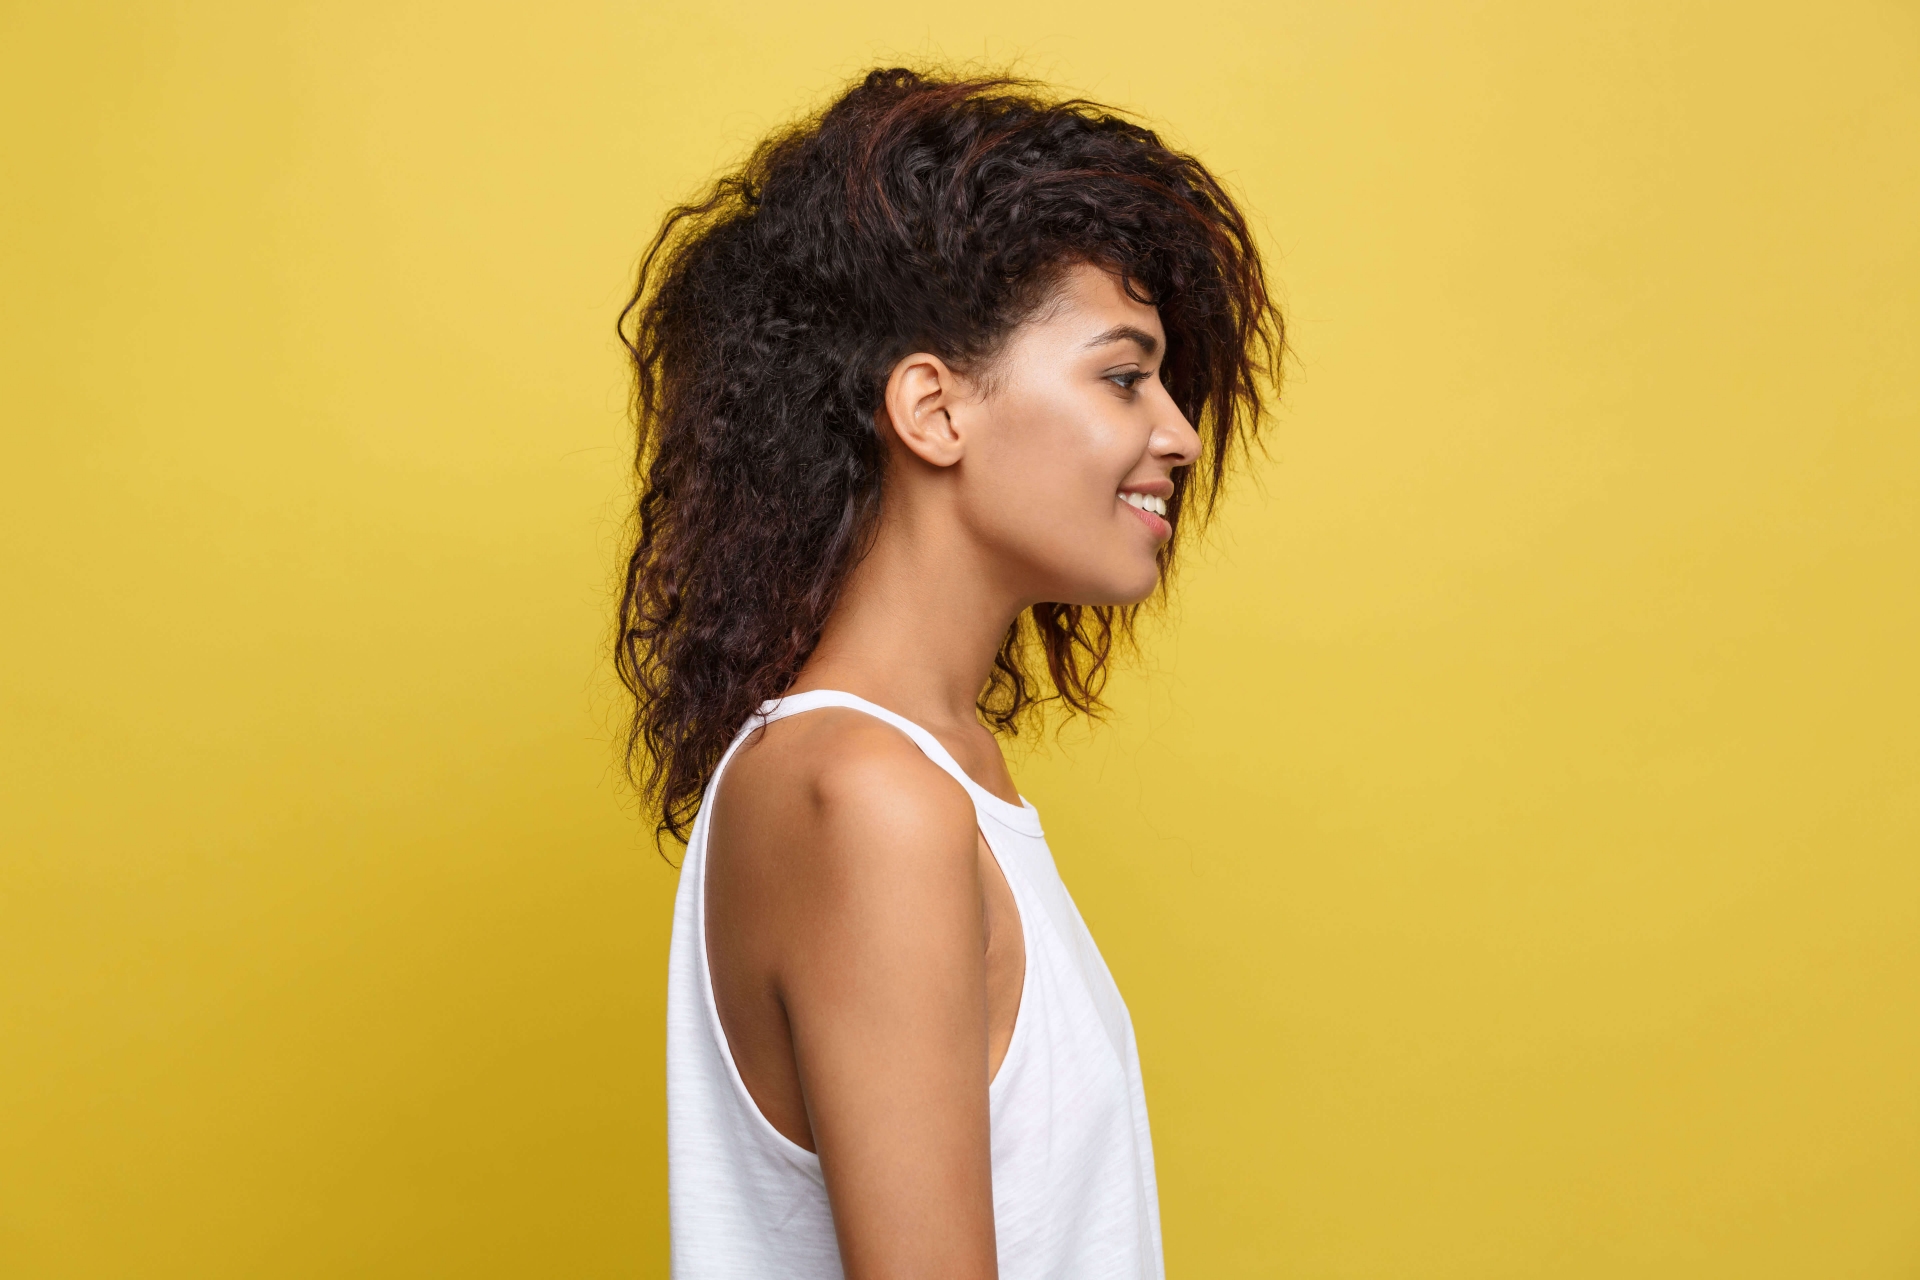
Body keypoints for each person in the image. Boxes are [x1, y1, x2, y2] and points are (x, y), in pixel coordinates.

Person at [615, 67, 1280, 1280]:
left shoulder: (935, 771)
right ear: (932, 408)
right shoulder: (870, 795)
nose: (1180, 432)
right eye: (1123, 375)